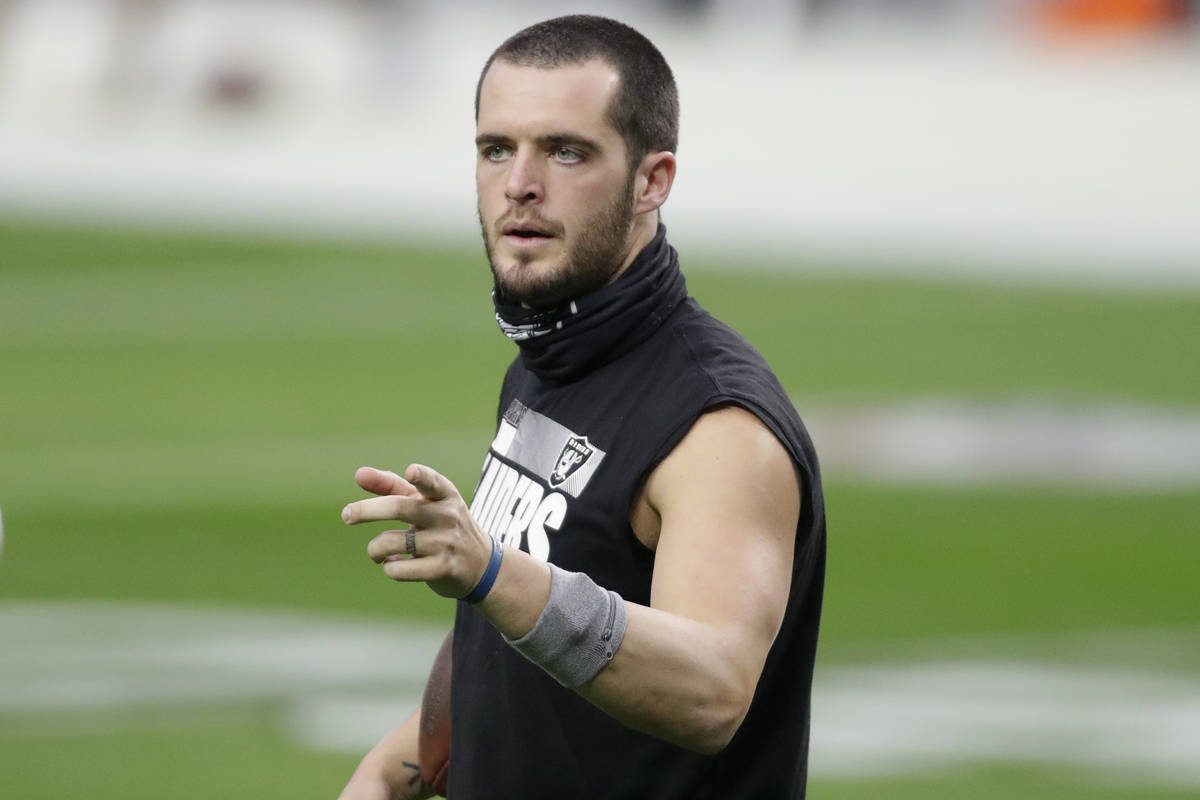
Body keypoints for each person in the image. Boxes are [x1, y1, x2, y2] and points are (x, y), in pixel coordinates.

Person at [337, 14, 825, 800]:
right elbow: (504, 637)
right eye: (497, 148)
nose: (520, 183)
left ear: (652, 180)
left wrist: (491, 572)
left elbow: (713, 690)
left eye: (567, 151)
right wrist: (393, 774)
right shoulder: (551, 358)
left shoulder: (718, 426)